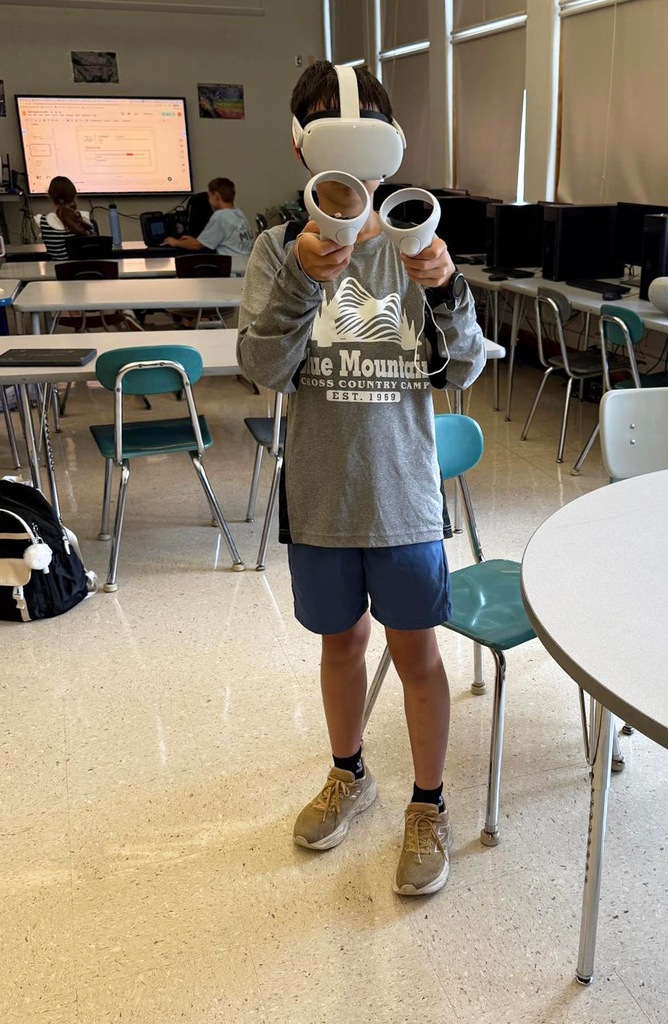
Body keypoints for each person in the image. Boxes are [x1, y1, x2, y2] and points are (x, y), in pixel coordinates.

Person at [237, 62, 485, 897]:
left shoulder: (419, 235)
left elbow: (468, 371)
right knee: (340, 644)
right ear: (301, 144)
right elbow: (265, 366)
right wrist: (307, 277)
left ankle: (429, 802)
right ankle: (350, 771)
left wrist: (446, 291)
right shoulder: (278, 248)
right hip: (320, 493)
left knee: (418, 655)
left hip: (405, 494)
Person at [163, 177, 254, 256]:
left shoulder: (220, 216)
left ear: (215, 196)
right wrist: (196, 241)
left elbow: (196, 246)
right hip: (245, 266)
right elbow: (201, 242)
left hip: (232, 270)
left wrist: (175, 242)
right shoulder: (239, 213)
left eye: (209, 196)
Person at [35, 176, 94, 261]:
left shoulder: (42, 221)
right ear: (73, 195)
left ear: (50, 195)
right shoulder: (82, 219)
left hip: (58, 272)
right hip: (82, 271)